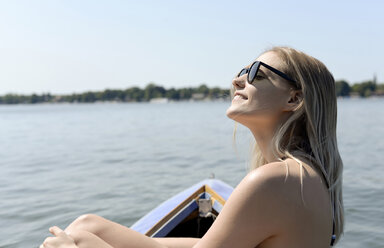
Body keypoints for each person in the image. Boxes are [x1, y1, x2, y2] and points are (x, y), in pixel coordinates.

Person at [40, 46, 344, 248]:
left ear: (294, 99)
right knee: (88, 224)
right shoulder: (301, 177)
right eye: (241, 71)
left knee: (78, 238)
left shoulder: (277, 180)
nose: (238, 80)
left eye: (256, 73)